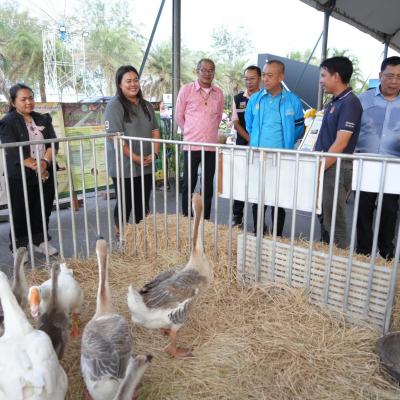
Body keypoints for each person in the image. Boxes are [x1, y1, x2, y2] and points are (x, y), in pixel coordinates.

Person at [245, 60, 304, 235]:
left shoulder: (293, 100)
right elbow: (249, 125)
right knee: (258, 198)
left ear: (281, 77)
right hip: (258, 157)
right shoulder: (255, 99)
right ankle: (258, 232)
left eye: (270, 75)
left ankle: (277, 236)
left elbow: (299, 127)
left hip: (282, 158)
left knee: (279, 200)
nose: (265, 79)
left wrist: (287, 142)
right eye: (263, 75)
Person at [0, 83, 58, 256]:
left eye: (31, 98)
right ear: (13, 102)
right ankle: (19, 247)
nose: (28, 102)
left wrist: (44, 163)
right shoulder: (7, 122)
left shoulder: (43, 118)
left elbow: (53, 144)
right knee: (20, 211)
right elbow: (13, 149)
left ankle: (41, 240)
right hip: (20, 175)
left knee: (43, 208)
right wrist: (36, 166)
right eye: (23, 99)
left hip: (45, 171)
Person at [104, 65, 160, 232]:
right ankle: (121, 235)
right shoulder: (114, 106)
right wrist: (136, 158)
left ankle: (141, 236)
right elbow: (115, 137)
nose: (133, 84)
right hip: (124, 166)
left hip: (146, 163)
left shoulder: (147, 105)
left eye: (136, 80)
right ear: (119, 84)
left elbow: (155, 131)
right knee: (125, 203)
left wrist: (154, 154)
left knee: (143, 203)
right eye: (128, 81)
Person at [314, 56, 362, 249]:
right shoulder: (334, 102)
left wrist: (320, 168)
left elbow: (341, 143)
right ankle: (326, 251)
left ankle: (339, 256)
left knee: (335, 217)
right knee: (324, 213)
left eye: (323, 75)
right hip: (327, 165)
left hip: (336, 167)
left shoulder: (350, 103)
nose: (321, 80)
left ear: (336, 76)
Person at [355, 56, 400, 260]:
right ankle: (364, 252)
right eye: (389, 76)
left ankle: (386, 252)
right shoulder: (363, 99)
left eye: (399, 77)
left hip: (394, 166)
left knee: (389, 210)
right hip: (366, 163)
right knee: (363, 208)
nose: (394, 81)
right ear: (380, 75)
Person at [175, 58, 224, 219]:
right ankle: (186, 217)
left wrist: (208, 132)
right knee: (188, 183)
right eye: (204, 70)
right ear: (197, 71)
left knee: (208, 185)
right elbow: (179, 116)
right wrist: (190, 132)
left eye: (211, 70)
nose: (207, 73)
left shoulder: (219, 93)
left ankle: (205, 219)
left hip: (210, 146)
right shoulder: (186, 90)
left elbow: (218, 118)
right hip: (191, 145)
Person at [231, 65, 262, 227]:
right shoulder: (238, 99)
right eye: (246, 79)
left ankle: (259, 222)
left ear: (260, 78)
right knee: (240, 182)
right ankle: (237, 217)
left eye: (252, 78)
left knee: (258, 183)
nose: (249, 82)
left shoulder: (265, 97)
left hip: (261, 147)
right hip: (242, 146)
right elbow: (236, 123)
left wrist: (256, 141)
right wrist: (249, 139)